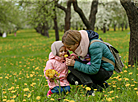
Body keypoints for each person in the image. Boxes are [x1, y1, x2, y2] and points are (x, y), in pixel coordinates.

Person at [62, 30, 115, 95]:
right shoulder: (83, 43)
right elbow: (84, 57)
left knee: (71, 65)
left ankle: (90, 86)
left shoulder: (94, 46)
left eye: (69, 47)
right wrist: (74, 56)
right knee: (71, 78)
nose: (67, 49)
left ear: (76, 43)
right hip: (95, 67)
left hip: (105, 71)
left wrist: (74, 63)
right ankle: (100, 85)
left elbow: (94, 69)